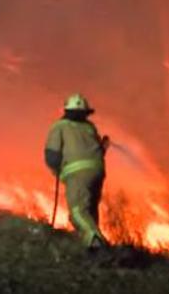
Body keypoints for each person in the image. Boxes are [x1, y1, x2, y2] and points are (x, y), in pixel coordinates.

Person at [44, 93, 109, 249]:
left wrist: (57, 170)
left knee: (78, 211)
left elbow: (52, 154)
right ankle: (91, 249)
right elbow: (98, 149)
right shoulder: (90, 127)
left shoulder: (59, 126)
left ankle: (96, 242)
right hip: (98, 171)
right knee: (90, 210)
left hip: (77, 173)